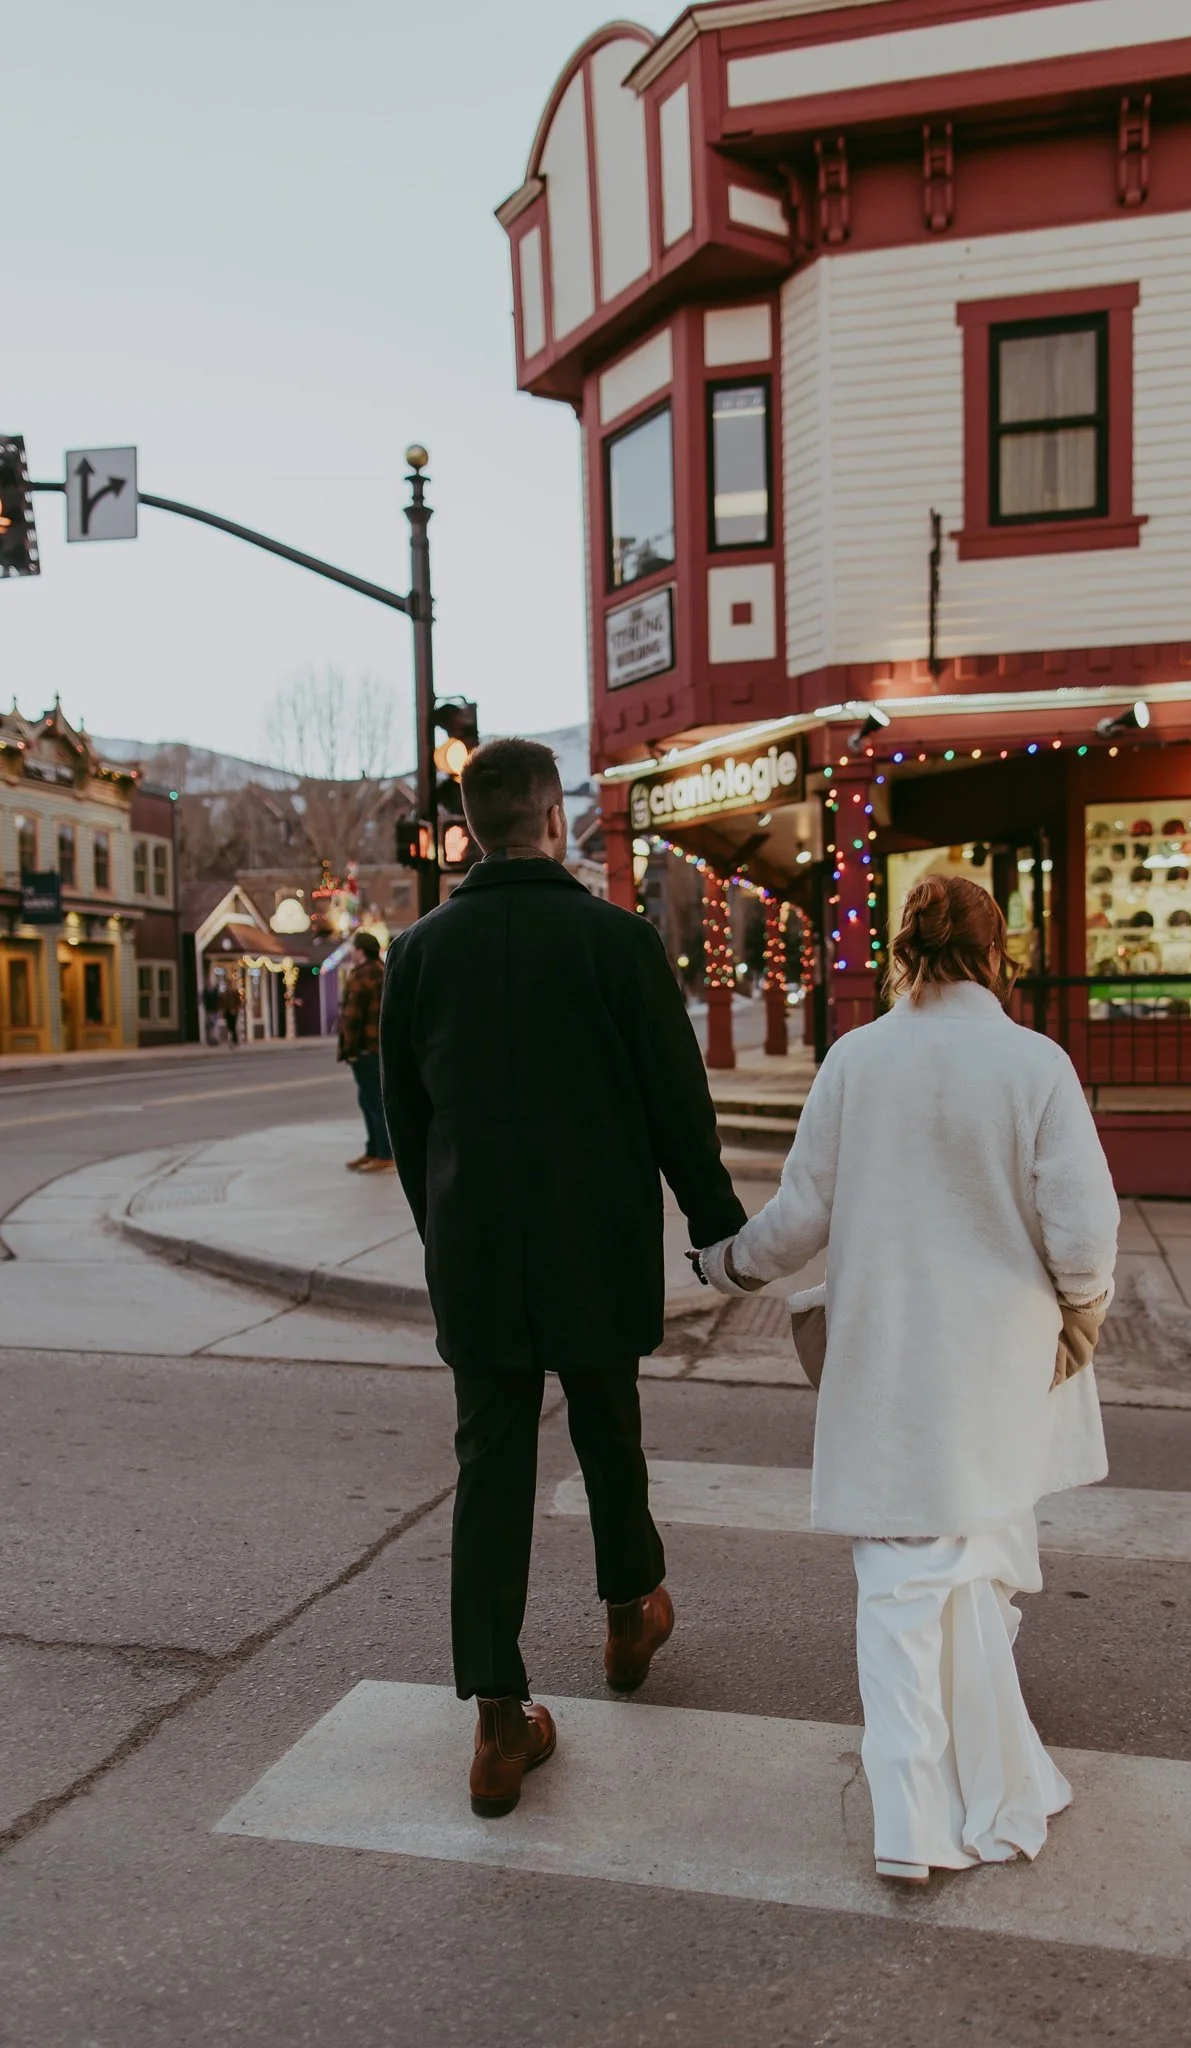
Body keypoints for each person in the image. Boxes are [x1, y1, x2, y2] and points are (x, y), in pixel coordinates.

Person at [697, 874, 1119, 1885]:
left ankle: (912, 1817)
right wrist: (1082, 1312)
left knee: (895, 1582)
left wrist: (727, 1266)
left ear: (902, 952)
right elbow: (1084, 1228)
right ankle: (989, 1781)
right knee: (968, 1561)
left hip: (888, 1358)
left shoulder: (856, 1057)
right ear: (996, 955)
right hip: (1001, 1361)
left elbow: (801, 1216)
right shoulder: (1036, 1063)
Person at [380, 737, 745, 1819]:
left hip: (477, 1250)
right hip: (596, 1239)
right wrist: (718, 1229)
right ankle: (631, 1613)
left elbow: (408, 1123)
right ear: (551, 817)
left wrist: (442, 1232)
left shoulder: (418, 954)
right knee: (608, 1427)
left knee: (489, 1466)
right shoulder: (618, 941)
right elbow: (677, 1102)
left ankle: (498, 1721)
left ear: (467, 828)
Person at [337, 931, 394, 1173]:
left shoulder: (362, 976)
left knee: (372, 1101)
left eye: (354, 947)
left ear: (360, 950)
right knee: (368, 1099)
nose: (351, 952)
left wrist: (349, 1049)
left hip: (364, 1047)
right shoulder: (382, 971)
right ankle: (374, 1150)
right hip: (376, 1046)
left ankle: (384, 1154)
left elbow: (352, 1018)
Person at [220, 980, 243, 1047]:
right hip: (227, 1011)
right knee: (229, 1026)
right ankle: (232, 1039)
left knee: (233, 1026)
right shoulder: (225, 993)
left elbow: (238, 1001)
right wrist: (224, 1010)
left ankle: (234, 1040)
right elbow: (223, 1002)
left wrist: (235, 1009)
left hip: (234, 1011)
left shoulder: (235, 992)